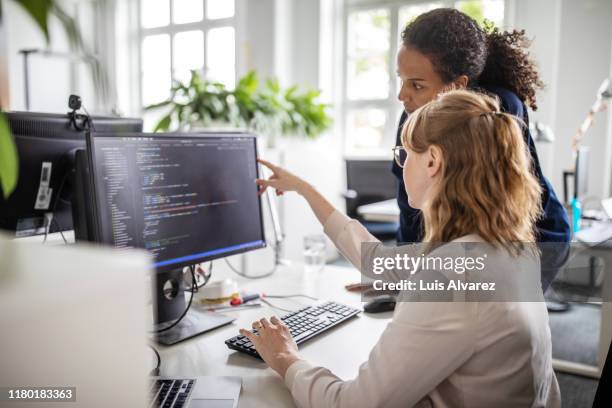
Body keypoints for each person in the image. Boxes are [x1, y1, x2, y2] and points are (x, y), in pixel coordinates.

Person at [242, 90, 560, 407]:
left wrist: (285, 357)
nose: (401, 166)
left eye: (404, 154)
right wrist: (305, 190)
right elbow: (376, 261)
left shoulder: (450, 273)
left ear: (433, 160)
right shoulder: (509, 247)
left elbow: (353, 405)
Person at [392, 8, 570, 289]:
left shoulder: (498, 109)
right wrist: (401, 276)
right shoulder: (412, 114)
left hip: (532, 235)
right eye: (401, 80)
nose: (402, 95)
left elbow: (498, 210)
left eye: (416, 84)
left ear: (458, 85)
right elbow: (411, 206)